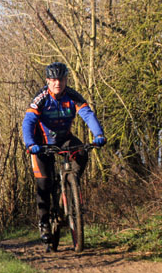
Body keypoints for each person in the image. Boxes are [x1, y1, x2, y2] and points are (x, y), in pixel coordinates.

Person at [22, 62, 106, 244]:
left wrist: (98, 134)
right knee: (43, 183)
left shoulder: (72, 96)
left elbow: (87, 114)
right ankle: (44, 223)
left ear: (66, 80)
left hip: (63, 139)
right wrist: (30, 143)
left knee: (82, 153)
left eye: (60, 79)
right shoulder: (42, 98)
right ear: (48, 81)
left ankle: (70, 184)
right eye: (53, 80)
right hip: (41, 143)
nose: (57, 83)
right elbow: (28, 121)